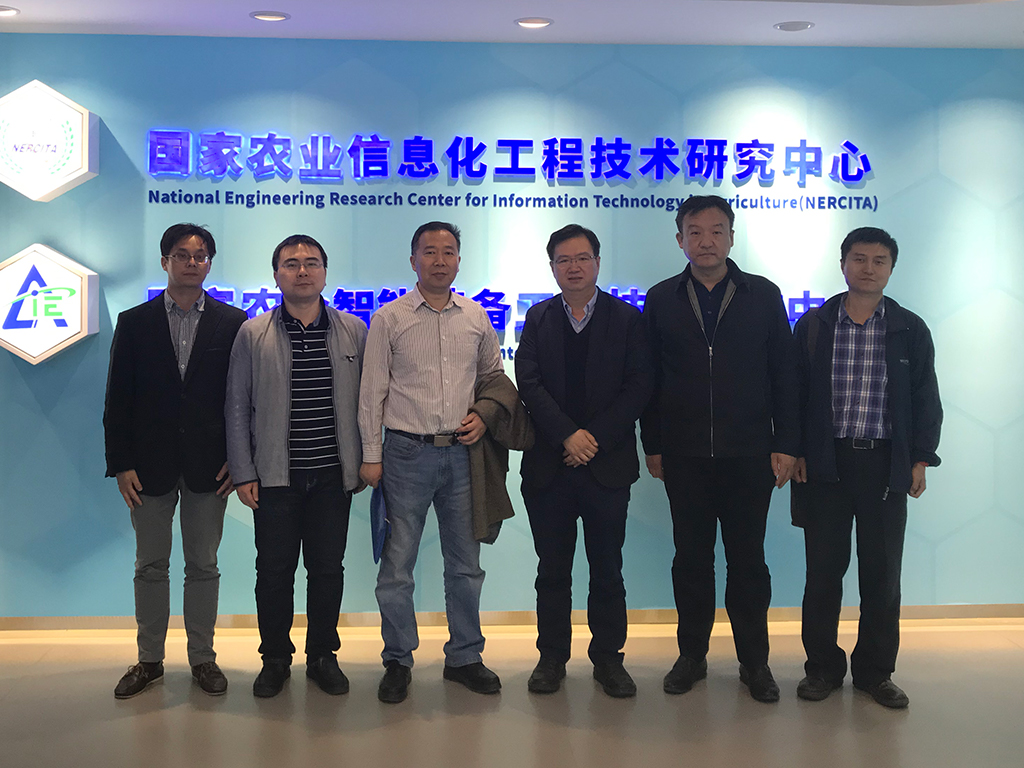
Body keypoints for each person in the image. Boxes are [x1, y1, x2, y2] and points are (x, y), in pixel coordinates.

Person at [640, 195, 799, 703]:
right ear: (680, 239)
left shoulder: (763, 294)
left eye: (716, 231)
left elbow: (784, 374)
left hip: (750, 453)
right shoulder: (662, 298)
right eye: (695, 231)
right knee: (691, 560)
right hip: (684, 454)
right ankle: (691, 656)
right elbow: (650, 378)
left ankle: (755, 662)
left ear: (732, 237)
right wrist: (653, 443)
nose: (705, 241)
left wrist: (786, 443)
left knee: (748, 562)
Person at [792, 227, 941, 709]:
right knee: (823, 573)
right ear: (843, 264)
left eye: (879, 261)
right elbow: (793, 396)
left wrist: (920, 458)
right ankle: (822, 669)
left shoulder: (909, 328)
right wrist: (795, 450)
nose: (868, 268)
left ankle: (876, 673)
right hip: (825, 462)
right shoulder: (814, 325)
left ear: (891, 269)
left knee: (882, 575)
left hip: (884, 463)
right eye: (859, 258)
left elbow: (925, 398)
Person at [358, 221, 503, 703]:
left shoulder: (476, 316)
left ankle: (465, 656)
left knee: (466, 564)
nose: (439, 260)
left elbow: (494, 378)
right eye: (429, 251)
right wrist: (372, 456)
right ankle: (398, 660)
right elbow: (372, 392)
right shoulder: (390, 318)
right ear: (413, 259)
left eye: (448, 252)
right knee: (397, 566)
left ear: (459, 260)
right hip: (405, 454)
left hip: (463, 455)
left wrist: (484, 416)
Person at [104, 223, 246, 699]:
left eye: (200, 255)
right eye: (182, 255)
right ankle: (149, 660)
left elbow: (242, 398)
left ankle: (203, 659)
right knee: (150, 565)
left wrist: (239, 458)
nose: (191, 262)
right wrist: (121, 463)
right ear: (165, 261)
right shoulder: (135, 322)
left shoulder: (233, 321)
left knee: (203, 564)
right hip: (147, 467)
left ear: (209, 264)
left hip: (211, 466)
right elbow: (118, 398)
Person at [225, 234, 366, 698]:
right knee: (274, 572)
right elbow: (236, 406)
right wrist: (243, 471)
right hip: (275, 477)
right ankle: (275, 659)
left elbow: (370, 403)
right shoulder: (253, 333)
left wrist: (367, 460)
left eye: (311, 263)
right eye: (291, 263)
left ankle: (323, 655)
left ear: (325, 272)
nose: (302, 271)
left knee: (327, 570)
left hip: (333, 476)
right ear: (276, 275)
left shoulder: (353, 330)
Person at [515, 224, 653, 698]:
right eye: (563, 260)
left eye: (582, 258)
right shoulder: (538, 318)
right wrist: (567, 436)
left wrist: (592, 438)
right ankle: (551, 658)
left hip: (606, 466)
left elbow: (639, 385)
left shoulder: (627, 319)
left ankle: (609, 659)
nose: (573, 267)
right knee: (552, 571)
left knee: (607, 571)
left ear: (597, 262)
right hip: (549, 467)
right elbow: (529, 382)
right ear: (552, 267)